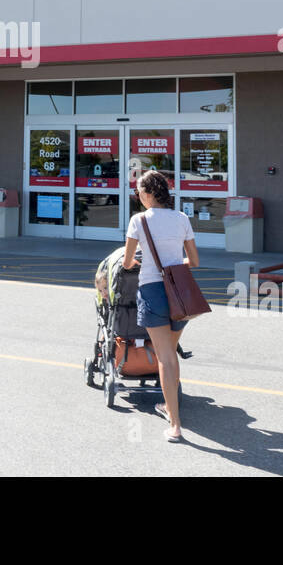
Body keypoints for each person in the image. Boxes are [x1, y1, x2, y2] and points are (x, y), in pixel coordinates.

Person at [122, 169, 198, 442]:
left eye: (140, 192)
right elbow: (194, 261)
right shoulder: (181, 218)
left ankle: (175, 425)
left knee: (164, 357)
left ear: (150, 193)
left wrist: (140, 264)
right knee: (171, 355)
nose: (138, 197)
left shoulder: (139, 220)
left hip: (153, 290)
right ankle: (168, 405)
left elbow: (127, 262)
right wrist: (173, 268)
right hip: (180, 293)